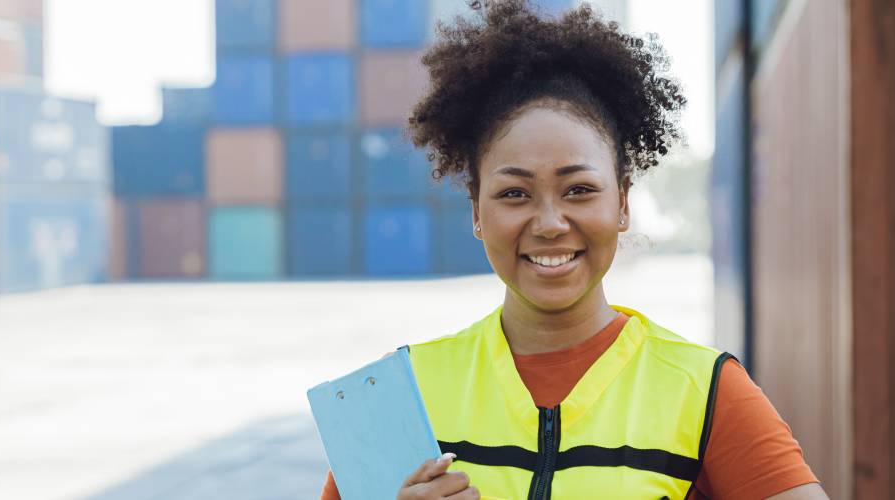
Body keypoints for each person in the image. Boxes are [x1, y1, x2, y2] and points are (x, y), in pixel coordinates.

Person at [318, 2, 827, 499]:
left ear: (623, 202)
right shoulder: (397, 395)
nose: (550, 223)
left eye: (579, 190)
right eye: (514, 193)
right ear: (476, 210)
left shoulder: (705, 390)